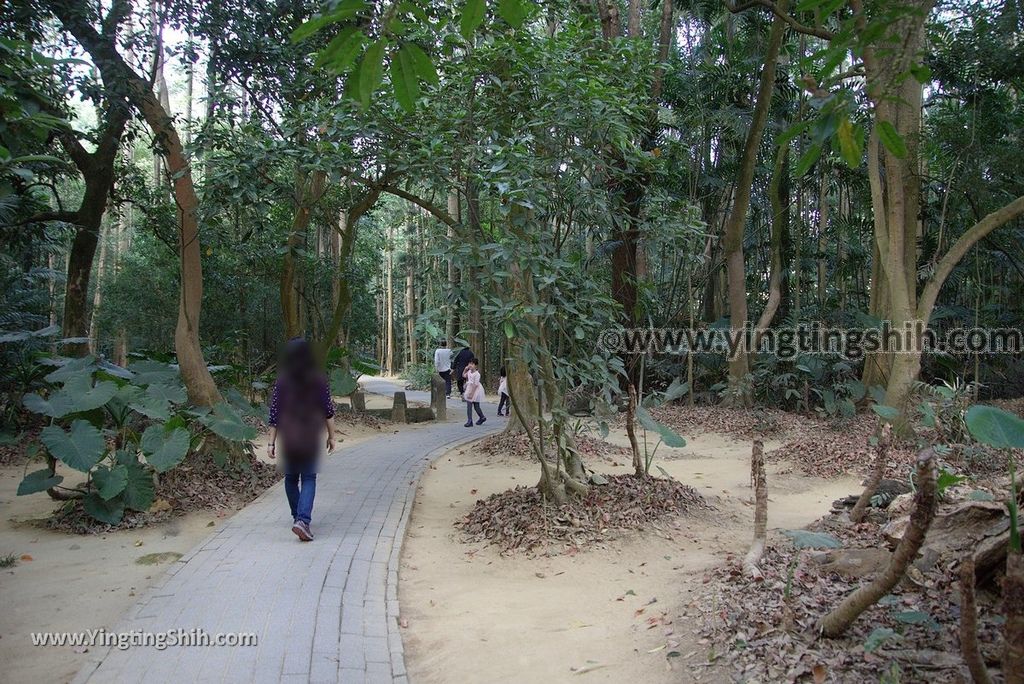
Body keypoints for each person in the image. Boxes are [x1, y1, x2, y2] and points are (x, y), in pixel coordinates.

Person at [267, 337, 336, 542]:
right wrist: (332, 437)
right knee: (308, 478)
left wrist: (271, 443)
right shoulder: (318, 379)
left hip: (289, 435)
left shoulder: (282, 381)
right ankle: (302, 520)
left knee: (290, 478)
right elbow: (328, 412)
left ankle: (299, 519)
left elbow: (275, 415)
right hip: (309, 434)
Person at [462, 358, 486, 427]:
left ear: (476, 365)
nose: (470, 365)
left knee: (476, 406)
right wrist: (465, 369)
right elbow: (463, 375)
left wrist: (471, 393)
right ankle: (472, 420)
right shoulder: (469, 372)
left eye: (472, 364)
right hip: (469, 388)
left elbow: (475, 385)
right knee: (469, 406)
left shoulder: (477, 374)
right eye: (469, 363)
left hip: (475, 391)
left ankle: (480, 418)